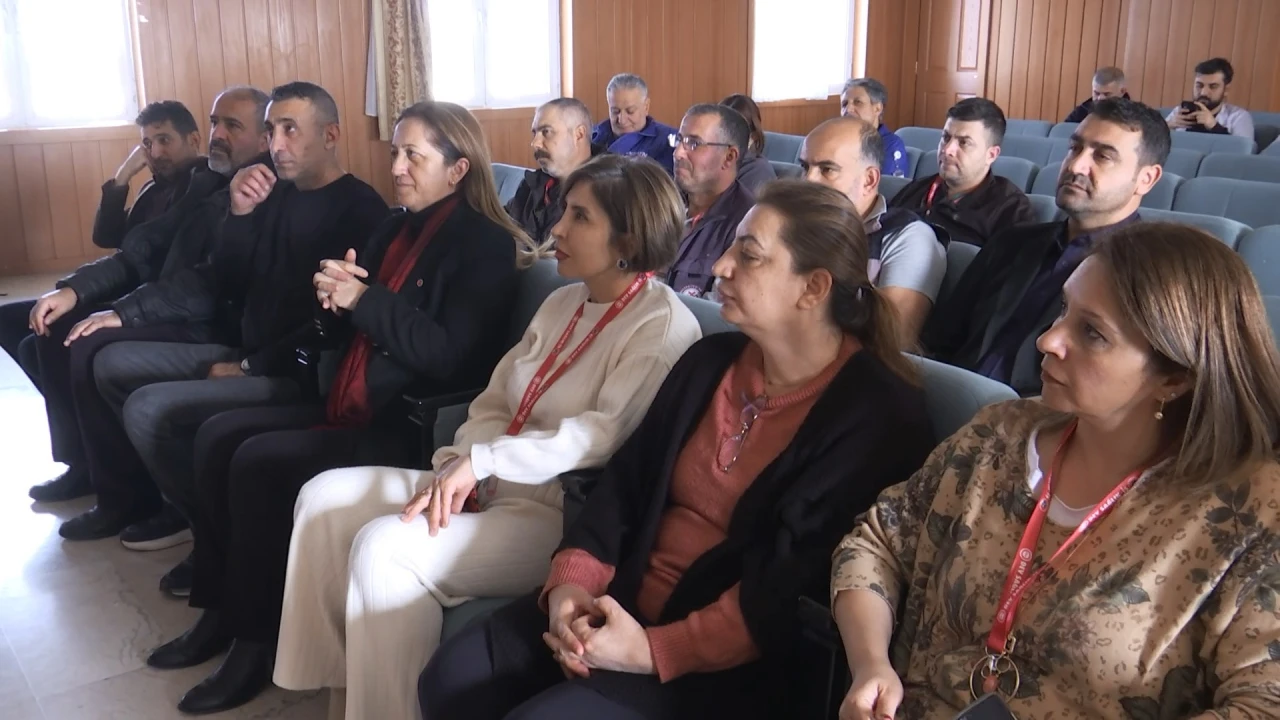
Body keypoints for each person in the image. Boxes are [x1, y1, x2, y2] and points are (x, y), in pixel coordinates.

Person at [419, 180, 935, 720]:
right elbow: (624, 485)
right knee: (450, 680)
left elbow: (787, 585)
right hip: (619, 600)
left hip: (725, 662)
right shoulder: (711, 361)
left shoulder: (876, 415)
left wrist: (651, 651)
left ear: (813, 288)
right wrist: (569, 590)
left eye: (749, 255)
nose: (720, 265)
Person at [273, 154, 703, 720]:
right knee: (323, 498)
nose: (556, 229)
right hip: (484, 479)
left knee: (386, 549)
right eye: (564, 212)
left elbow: (600, 436)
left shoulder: (660, 325)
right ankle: (344, 699)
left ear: (629, 237)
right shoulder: (563, 301)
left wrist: (481, 463)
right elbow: (498, 399)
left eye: (580, 217)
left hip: (559, 514)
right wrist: (460, 464)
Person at [142, 101, 533, 716]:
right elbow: (345, 324)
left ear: (457, 170)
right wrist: (331, 300)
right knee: (217, 438)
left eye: (413, 156)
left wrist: (364, 301)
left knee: (258, 462)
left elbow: (449, 355)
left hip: (409, 422)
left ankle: (254, 642)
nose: (396, 167)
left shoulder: (483, 243)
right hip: (354, 395)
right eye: (395, 153)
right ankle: (222, 611)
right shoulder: (397, 227)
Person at [832, 222, 1280, 720]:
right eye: (1064, 309)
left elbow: (1264, 704)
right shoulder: (1000, 434)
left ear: (1174, 379)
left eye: (1092, 333)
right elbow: (876, 544)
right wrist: (871, 665)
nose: (1047, 339)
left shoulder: (1249, 511)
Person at [56, 81, 388, 544]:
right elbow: (227, 279)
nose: (276, 145)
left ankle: (211, 533)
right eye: (271, 131)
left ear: (330, 135)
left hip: (295, 371)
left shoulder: (362, 210)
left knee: (148, 409)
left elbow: (331, 328)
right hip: (245, 345)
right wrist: (240, 214)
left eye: (290, 130)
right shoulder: (274, 193)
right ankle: (189, 509)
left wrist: (249, 366)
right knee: (107, 360)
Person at [21, 88, 268, 508]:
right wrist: (75, 289)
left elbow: (208, 285)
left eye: (232, 126)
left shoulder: (257, 191)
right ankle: (88, 468)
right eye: (215, 123)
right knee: (49, 328)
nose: (218, 135)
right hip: (169, 304)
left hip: (207, 321)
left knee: (83, 341)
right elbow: (140, 248)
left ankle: (122, 497)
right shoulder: (206, 183)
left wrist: (123, 312)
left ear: (265, 139)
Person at [923, 98, 1167, 396]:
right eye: (1075, 148)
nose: (1075, 165)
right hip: (947, 402)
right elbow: (939, 341)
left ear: (1146, 179)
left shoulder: (1147, 280)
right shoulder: (1010, 243)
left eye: (1103, 156)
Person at [0, 100, 204, 385]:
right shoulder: (154, 187)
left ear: (193, 140)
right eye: (147, 143)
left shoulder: (202, 185)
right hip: (122, 286)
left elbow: (138, 254)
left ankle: (76, 401)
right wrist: (122, 177)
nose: (155, 152)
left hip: (149, 298)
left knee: (36, 344)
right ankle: (71, 395)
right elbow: (106, 237)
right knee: (8, 320)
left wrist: (78, 291)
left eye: (164, 140)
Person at [799, 117, 945, 348]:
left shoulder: (907, 238)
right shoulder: (795, 224)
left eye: (827, 169)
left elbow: (891, 343)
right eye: (805, 167)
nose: (808, 180)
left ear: (869, 180)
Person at [889, 98, 1036, 247]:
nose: (947, 150)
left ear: (991, 155)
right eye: (946, 138)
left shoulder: (1010, 210)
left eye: (964, 143)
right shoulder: (916, 190)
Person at [665, 104, 756, 299]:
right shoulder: (661, 200)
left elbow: (715, 310)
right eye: (679, 140)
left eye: (693, 143)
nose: (678, 153)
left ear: (729, 157)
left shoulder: (746, 225)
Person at [506, 97, 602, 245]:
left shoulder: (606, 191)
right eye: (535, 133)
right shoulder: (533, 184)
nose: (535, 143)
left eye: (546, 132)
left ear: (579, 134)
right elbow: (500, 225)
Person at [591, 74, 677, 173]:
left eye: (630, 111)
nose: (622, 120)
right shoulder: (591, 136)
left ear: (646, 107)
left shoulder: (669, 140)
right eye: (615, 111)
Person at [1166, 57, 1255, 140]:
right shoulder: (1179, 112)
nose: (1203, 92)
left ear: (1226, 90)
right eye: (1199, 85)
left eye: (1213, 87)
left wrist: (1214, 127)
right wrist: (1167, 126)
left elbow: (1243, 149)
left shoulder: (1238, 117)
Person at [841, 78, 909, 178]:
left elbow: (889, 185)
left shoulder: (890, 145)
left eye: (857, 102)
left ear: (877, 108)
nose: (848, 109)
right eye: (844, 104)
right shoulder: (839, 141)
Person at [720, 94, 777, 193]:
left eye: (734, 132)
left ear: (753, 136)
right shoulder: (714, 162)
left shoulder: (758, 171)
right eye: (720, 130)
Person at [1064, 66, 1130, 123]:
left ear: (1122, 91)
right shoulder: (1082, 112)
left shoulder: (1132, 115)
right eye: (1096, 93)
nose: (1100, 98)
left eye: (1107, 94)